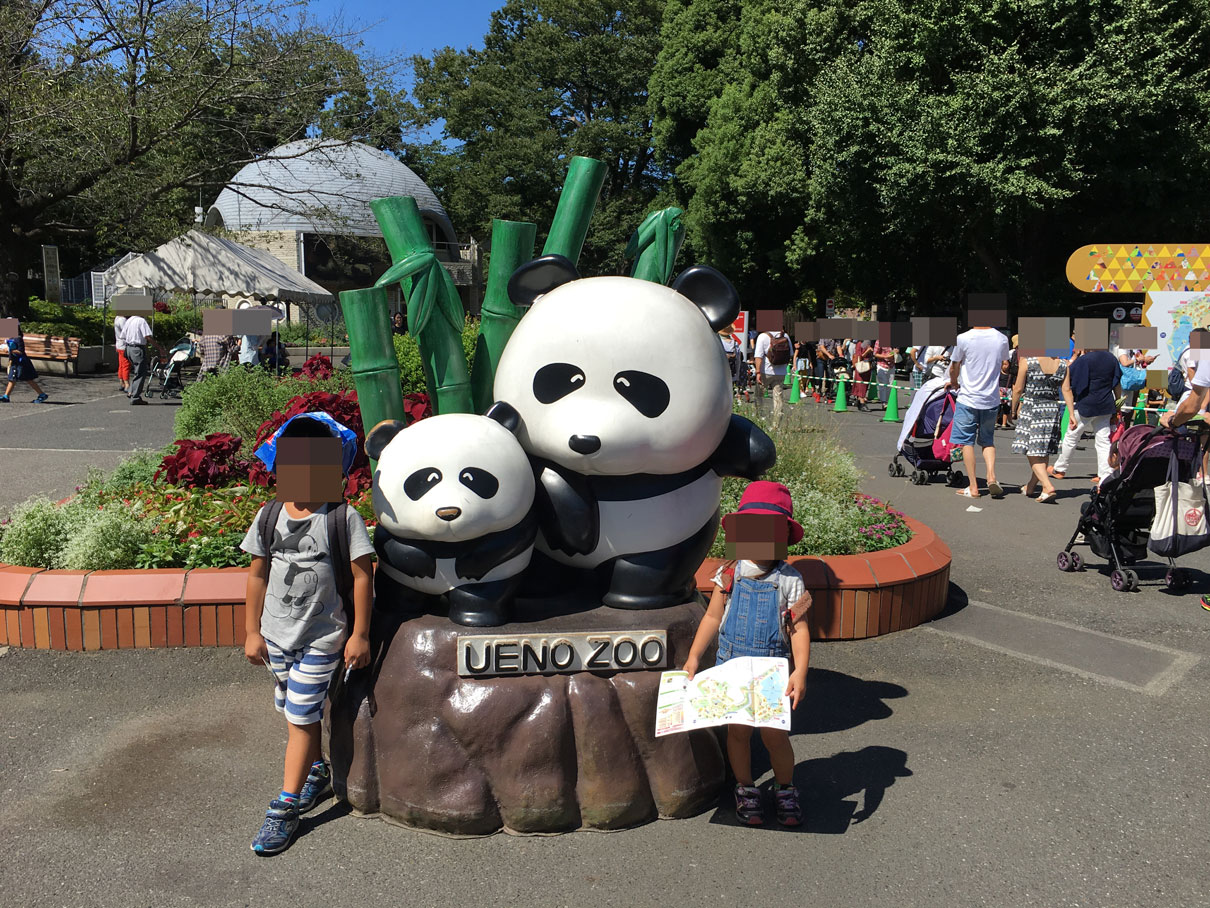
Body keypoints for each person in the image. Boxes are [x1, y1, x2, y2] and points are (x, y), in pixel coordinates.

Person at [240, 413, 374, 856]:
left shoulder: (341, 517)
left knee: (299, 719)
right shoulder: (269, 515)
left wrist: (360, 634)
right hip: (276, 639)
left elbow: (361, 579)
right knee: (297, 712)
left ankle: (285, 807)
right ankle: (316, 773)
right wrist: (251, 632)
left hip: (323, 638)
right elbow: (257, 575)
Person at [680, 480, 811, 827]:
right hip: (732, 665)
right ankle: (746, 788)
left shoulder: (790, 580)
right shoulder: (729, 573)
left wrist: (800, 671)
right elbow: (711, 616)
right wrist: (694, 657)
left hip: (772, 671)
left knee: (774, 734)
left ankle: (785, 787)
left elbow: (799, 628)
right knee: (737, 732)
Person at [948, 322, 1011, 498]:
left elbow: (955, 366)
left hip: (968, 398)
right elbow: (1005, 364)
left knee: (967, 441)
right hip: (991, 399)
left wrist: (954, 382)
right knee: (988, 440)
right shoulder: (1001, 339)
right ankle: (991, 476)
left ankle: (974, 486)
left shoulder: (963, 338)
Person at [1051, 348, 1122, 487]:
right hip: (1106, 404)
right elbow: (1117, 384)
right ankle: (1104, 474)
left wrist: (1072, 359)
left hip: (1086, 403)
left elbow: (1070, 376)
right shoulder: (1111, 358)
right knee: (1103, 440)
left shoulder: (1085, 359)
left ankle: (1060, 468)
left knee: (1071, 436)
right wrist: (1117, 404)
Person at [1010, 352, 1071, 502]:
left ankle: (1047, 486)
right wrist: (1072, 415)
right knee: (1043, 451)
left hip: (1032, 408)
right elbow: (1066, 390)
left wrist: (1013, 408)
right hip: (1052, 409)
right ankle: (1031, 487)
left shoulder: (1027, 362)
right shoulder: (1064, 365)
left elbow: (1018, 389)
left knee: (1031, 451)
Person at [119, 313, 167, 405]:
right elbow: (147, 336)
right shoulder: (141, 321)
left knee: (137, 371)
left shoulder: (130, 320)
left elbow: (123, 335)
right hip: (137, 348)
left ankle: (131, 391)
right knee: (141, 372)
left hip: (129, 348)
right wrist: (159, 348)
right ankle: (135, 397)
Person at [754, 324, 792, 429]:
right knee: (778, 399)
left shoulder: (762, 336)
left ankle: (759, 420)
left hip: (765, 371)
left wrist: (757, 372)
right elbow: (790, 354)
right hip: (780, 372)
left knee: (759, 396)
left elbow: (758, 356)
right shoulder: (785, 336)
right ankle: (776, 426)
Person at [1, 336, 48, 403]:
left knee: (28, 379)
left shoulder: (18, 339)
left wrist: (10, 350)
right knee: (12, 378)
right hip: (14, 362)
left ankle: (42, 394)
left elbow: (21, 352)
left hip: (22, 363)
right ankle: (6, 396)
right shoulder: (9, 339)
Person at [997, 335, 1019, 429]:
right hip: (1000, 390)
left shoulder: (1010, 375)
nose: (1005, 366)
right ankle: (997, 421)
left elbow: (1014, 386)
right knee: (998, 408)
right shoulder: (1011, 353)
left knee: (1006, 408)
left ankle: (1004, 423)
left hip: (1008, 389)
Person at [719, 327, 743, 394]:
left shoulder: (718, 342)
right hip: (732, 373)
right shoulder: (735, 343)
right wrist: (737, 376)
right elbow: (738, 361)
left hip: (720, 373)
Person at [113, 314, 130, 393]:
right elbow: (126, 333)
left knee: (121, 365)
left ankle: (121, 382)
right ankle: (127, 384)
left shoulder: (117, 318)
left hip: (118, 344)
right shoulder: (123, 320)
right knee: (126, 365)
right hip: (124, 345)